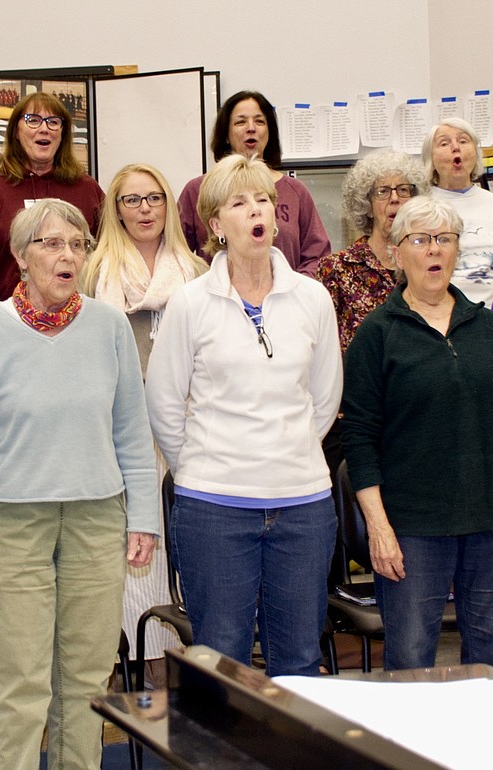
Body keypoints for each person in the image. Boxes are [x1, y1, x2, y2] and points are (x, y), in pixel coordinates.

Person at [0, 198, 158, 769]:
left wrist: (142, 517)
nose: (67, 256)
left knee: (88, 680)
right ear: (19, 255)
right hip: (11, 523)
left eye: (78, 244)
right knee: (19, 682)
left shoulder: (110, 326)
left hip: (96, 516)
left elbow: (133, 433)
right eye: (51, 244)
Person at [145, 153, 342, 677]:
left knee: (299, 658)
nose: (257, 210)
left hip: (302, 505)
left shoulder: (313, 298)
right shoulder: (190, 302)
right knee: (221, 661)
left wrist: (288, 450)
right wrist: (204, 466)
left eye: (264, 200)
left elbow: (323, 400)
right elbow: (164, 401)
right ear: (216, 225)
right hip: (215, 507)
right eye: (239, 202)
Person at [341, 195, 493, 670]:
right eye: (421, 240)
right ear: (396, 253)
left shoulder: (487, 328)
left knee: (489, 659)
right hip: (412, 531)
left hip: (488, 525)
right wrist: (380, 530)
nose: (435, 251)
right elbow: (359, 440)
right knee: (410, 662)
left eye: (445, 240)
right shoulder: (377, 334)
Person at [82, 163, 207, 685]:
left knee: (167, 549)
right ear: (115, 209)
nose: (144, 210)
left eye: (154, 198)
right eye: (131, 200)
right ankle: (113, 657)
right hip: (116, 425)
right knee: (122, 546)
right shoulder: (92, 271)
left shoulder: (199, 271)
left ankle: (164, 655)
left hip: (186, 424)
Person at [0, 92, 104, 322]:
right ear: (16, 131)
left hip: (78, 322)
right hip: (8, 325)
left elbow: (106, 258)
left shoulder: (88, 190)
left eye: (53, 122)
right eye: (33, 120)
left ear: (62, 134)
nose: (44, 129)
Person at [177, 91, 331, 276]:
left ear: (269, 132)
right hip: (218, 300)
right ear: (226, 134)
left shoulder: (296, 191)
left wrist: (293, 292)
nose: (251, 128)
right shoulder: (197, 190)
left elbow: (318, 257)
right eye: (240, 122)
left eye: (259, 121)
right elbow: (176, 254)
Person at [316, 149, 428, 352]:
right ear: (366, 206)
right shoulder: (336, 269)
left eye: (403, 190)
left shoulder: (427, 263)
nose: (394, 198)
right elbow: (324, 347)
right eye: (382, 191)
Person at [422, 117, 493, 308]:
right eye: (444, 143)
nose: (456, 147)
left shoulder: (492, 203)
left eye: (463, 141)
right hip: (437, 317)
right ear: (430, 158)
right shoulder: (419, 209)